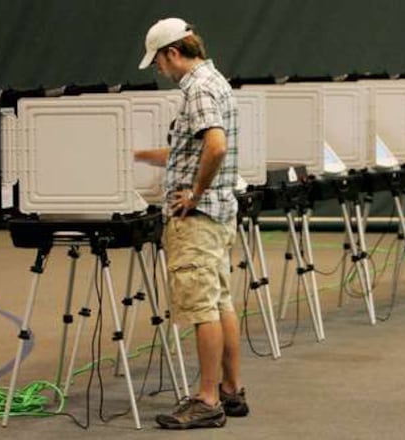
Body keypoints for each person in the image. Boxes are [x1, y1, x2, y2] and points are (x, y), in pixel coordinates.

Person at [134, 17, 248, 429]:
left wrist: (193, 193)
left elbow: (214, 146)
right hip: (219, 214)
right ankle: (231, 390)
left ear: (173, 53)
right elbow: (195, 149)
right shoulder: (216, 81)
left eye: (159, 63)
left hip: (197, 217)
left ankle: (207, 398)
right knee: (220, 302)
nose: (160, 71)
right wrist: (140, 155)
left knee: (202, 309)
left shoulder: (196, 89)